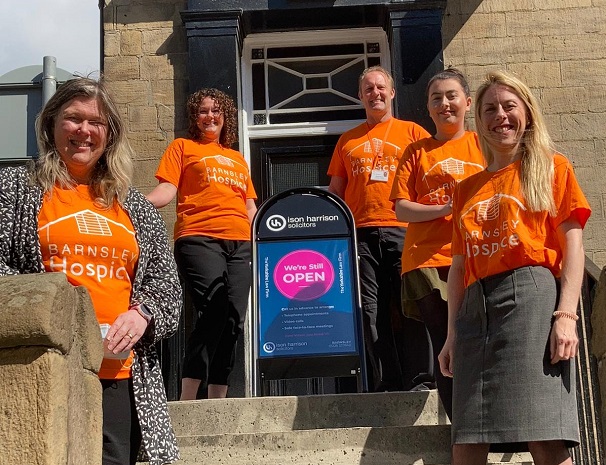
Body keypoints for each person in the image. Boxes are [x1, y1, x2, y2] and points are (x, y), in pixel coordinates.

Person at [0, 78, 181, 465]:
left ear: (109, 134)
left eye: (95, 122)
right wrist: (47, 304)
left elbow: (166, 284)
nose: (84, 130)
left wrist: (142, 314)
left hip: (118, 371)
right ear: (51, 125)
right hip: (41, 366)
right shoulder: (16, 187)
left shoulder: (135, 205)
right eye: (72, 119)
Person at [438, 70, 591, 464]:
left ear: (527, 113)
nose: (500, 116)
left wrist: (566, 315)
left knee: (545, 432)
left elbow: (572, 244)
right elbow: (458, 268)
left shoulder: (551, 167)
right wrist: (452, 333)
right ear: (479, 121)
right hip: (475, 309)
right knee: (467, 439)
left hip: (531, 299)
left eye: (509, 106)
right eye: (490, 108)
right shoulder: (466, 189)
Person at [147, 88, 257, 400]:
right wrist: (133, 203)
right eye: (203, 111)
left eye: (216, 111)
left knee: (234, 318)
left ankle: (217, 401)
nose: (210, 116)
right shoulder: (182, 147)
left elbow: (249, 207)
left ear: (226, 117)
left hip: (241, 242)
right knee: (214, 311)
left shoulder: (237, 158)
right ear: (195, 117)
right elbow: (166, 191)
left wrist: (270, 234)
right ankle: (188, 396)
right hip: (199, 236)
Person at [327, 65, 431, 392]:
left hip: (405, 229)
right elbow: (335, 191)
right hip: (362, 235)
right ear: (360, 96)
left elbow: (431, 178)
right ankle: (386, 381)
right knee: (371, 310)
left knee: (411, 304)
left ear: (392, 92)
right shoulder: (347, 140)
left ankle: (420, 380)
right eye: (368, 89)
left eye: (381, 87)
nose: (375, 93)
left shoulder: (413, 133)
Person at [390, 68, 484, 418]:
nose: (444, 104)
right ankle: (461, 434)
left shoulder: (483, 145)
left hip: (478, 257)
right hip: (426, 259)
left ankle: (485, 424)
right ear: (428, 109)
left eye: (451, 96)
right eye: (436, 99)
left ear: (468, 102)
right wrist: (446, 207)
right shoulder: (416, 152)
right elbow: (401, 208)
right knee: (447, 340)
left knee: (477, 340)